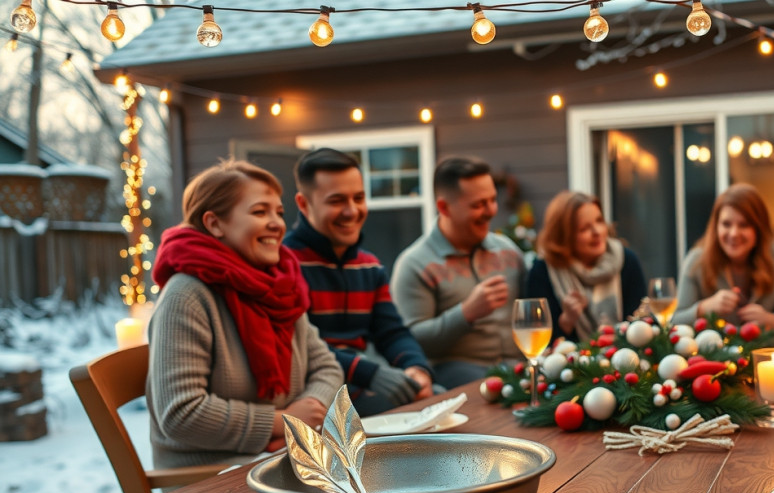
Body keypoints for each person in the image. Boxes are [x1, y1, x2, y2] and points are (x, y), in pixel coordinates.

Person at [146, 159, 343, 470]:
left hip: (283, 457)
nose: (277, 224)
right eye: (259, 212)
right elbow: (180, 413)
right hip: (209, 479)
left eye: (278, 212)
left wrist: (311, 408)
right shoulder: (186, 295)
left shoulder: (280, 286)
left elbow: (326, 367)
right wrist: (284, 422)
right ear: (214, 223)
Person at [282, 148, 434, 416]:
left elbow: (392, 332)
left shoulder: (370, 265)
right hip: (311, 400)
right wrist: (369, 373)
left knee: (438, 401)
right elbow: (300, 348)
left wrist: (416, 369)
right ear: (304, 204)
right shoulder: (284, 265)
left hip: (365, 388)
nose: (352, 211)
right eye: (337, 200)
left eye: (359, 198)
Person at [391, 157, 526, 388]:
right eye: (478, 205)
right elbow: (409, 342)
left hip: (520, 370)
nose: (491, 211)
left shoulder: (509, 252)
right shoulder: (414, 264)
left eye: (493, 200)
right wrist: (465, 314)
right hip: (458, 376)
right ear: (444, 207)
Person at [673, 183, 774, 330]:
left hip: (766, 351)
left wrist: (772, 320)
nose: (733, 233)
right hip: (712, 351)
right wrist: (703, 308)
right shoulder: (696, 261)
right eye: (726, 224)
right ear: (716, 227)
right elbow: (674, 321)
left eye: (744, 225)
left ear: (759, 228)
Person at [525, 190, 647, 340]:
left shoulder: (626, 260)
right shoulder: (543, 271)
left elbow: (642, 324)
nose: (596, 232)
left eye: (599, 221)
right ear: (563, 236)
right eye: (584, 228)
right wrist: (567, 320)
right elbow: (536, 341)